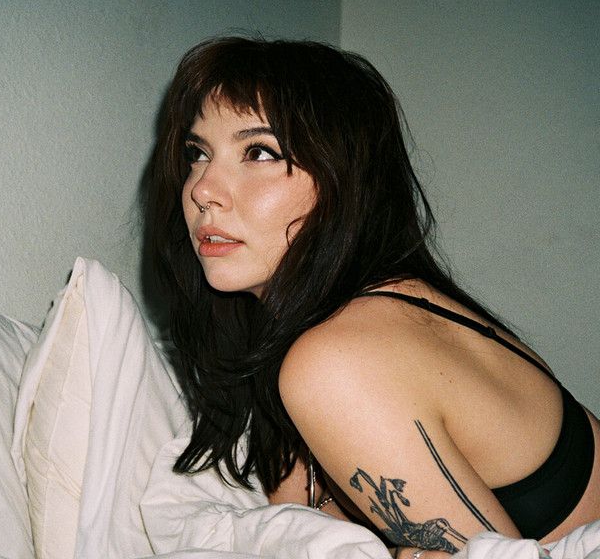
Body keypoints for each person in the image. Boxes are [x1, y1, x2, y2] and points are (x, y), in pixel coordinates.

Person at [147, 36, 599, 557]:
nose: (202, 189)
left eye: (260, 152)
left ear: (344, 181)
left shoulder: (340, 358)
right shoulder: (319, 329)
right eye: (198, 154)